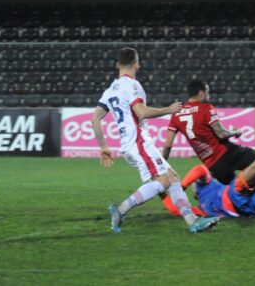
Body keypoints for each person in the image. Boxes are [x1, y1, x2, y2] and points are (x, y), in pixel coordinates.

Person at [92, 47, 220, 234]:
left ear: (117, 64)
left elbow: (95, 118)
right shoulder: (132, 85)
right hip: (138, 142)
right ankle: (120, 210)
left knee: (173, 178)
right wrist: (168, 109)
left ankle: (192, 220)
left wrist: (103, 147)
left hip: (131, 144)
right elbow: (141, 112)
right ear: (137, 64)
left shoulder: (110, 90)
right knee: (164, 181)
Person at [161, 79, 255, 185]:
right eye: (208, 92)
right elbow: (221, 134)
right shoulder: (206, 108)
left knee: (233, 193)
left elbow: (167, 146)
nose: (209, 95)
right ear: (201, 93)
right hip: (226, 153)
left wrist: (162, 165)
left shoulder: (176, 115)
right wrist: (235, 132)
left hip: (213, 165)